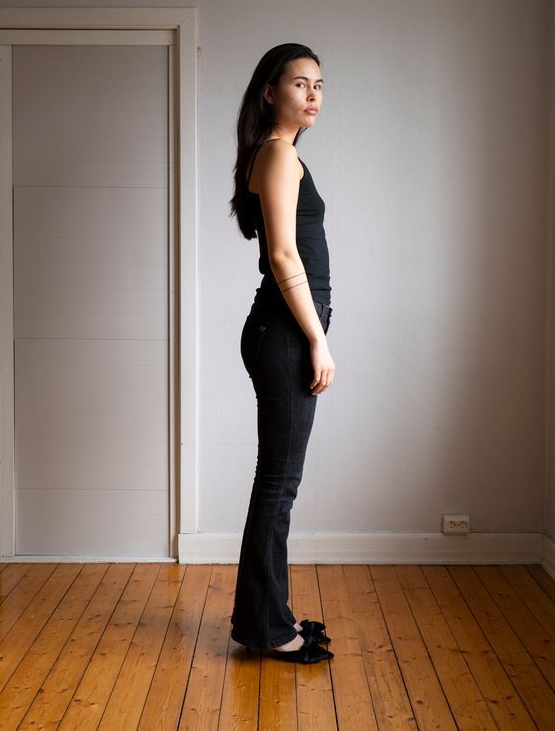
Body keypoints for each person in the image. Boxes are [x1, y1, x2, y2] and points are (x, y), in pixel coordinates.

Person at [228, 43, 336, 665]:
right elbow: (282, 255)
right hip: (286, 333)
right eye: (300, 83)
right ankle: (268, 628)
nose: (313, 94)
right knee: (278, 484)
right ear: (270, 92)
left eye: (319, 84)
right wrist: (318, 339)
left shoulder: (281, 154)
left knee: (279, 483)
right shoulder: (276, 153)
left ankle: (267, 618)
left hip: (286, 330)